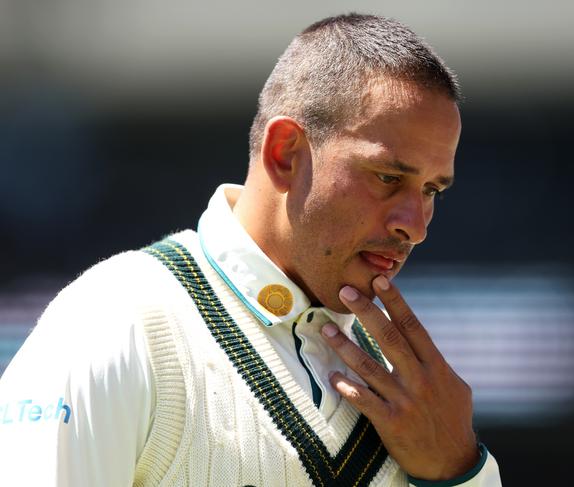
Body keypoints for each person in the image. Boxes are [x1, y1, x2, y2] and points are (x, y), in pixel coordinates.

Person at [0, 13, 502, 487]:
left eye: (433, 191)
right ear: (285, 153)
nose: (415, 227)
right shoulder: (114, 320)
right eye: (388, 178)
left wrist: (458, 470)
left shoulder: (418, 398)